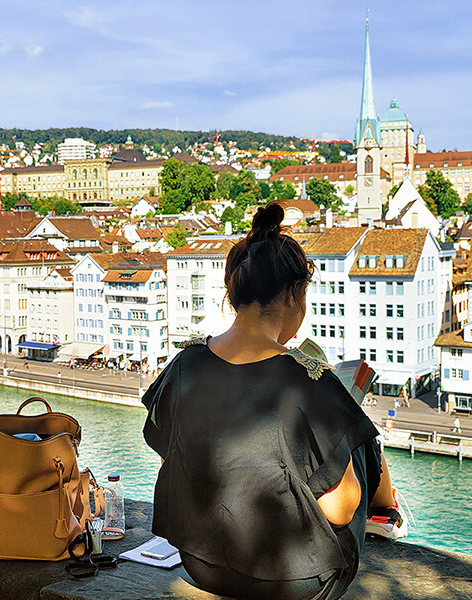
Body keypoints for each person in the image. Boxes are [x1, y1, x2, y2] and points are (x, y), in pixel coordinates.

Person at [142, 204, 395, 600]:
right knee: (353, 426)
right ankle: (387, 511)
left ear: (234, 292)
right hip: (296, 582)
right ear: (293, 295)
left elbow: (171, 463)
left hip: (199, 563)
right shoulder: (310, 380)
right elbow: (340, 511)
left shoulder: (184, 365)